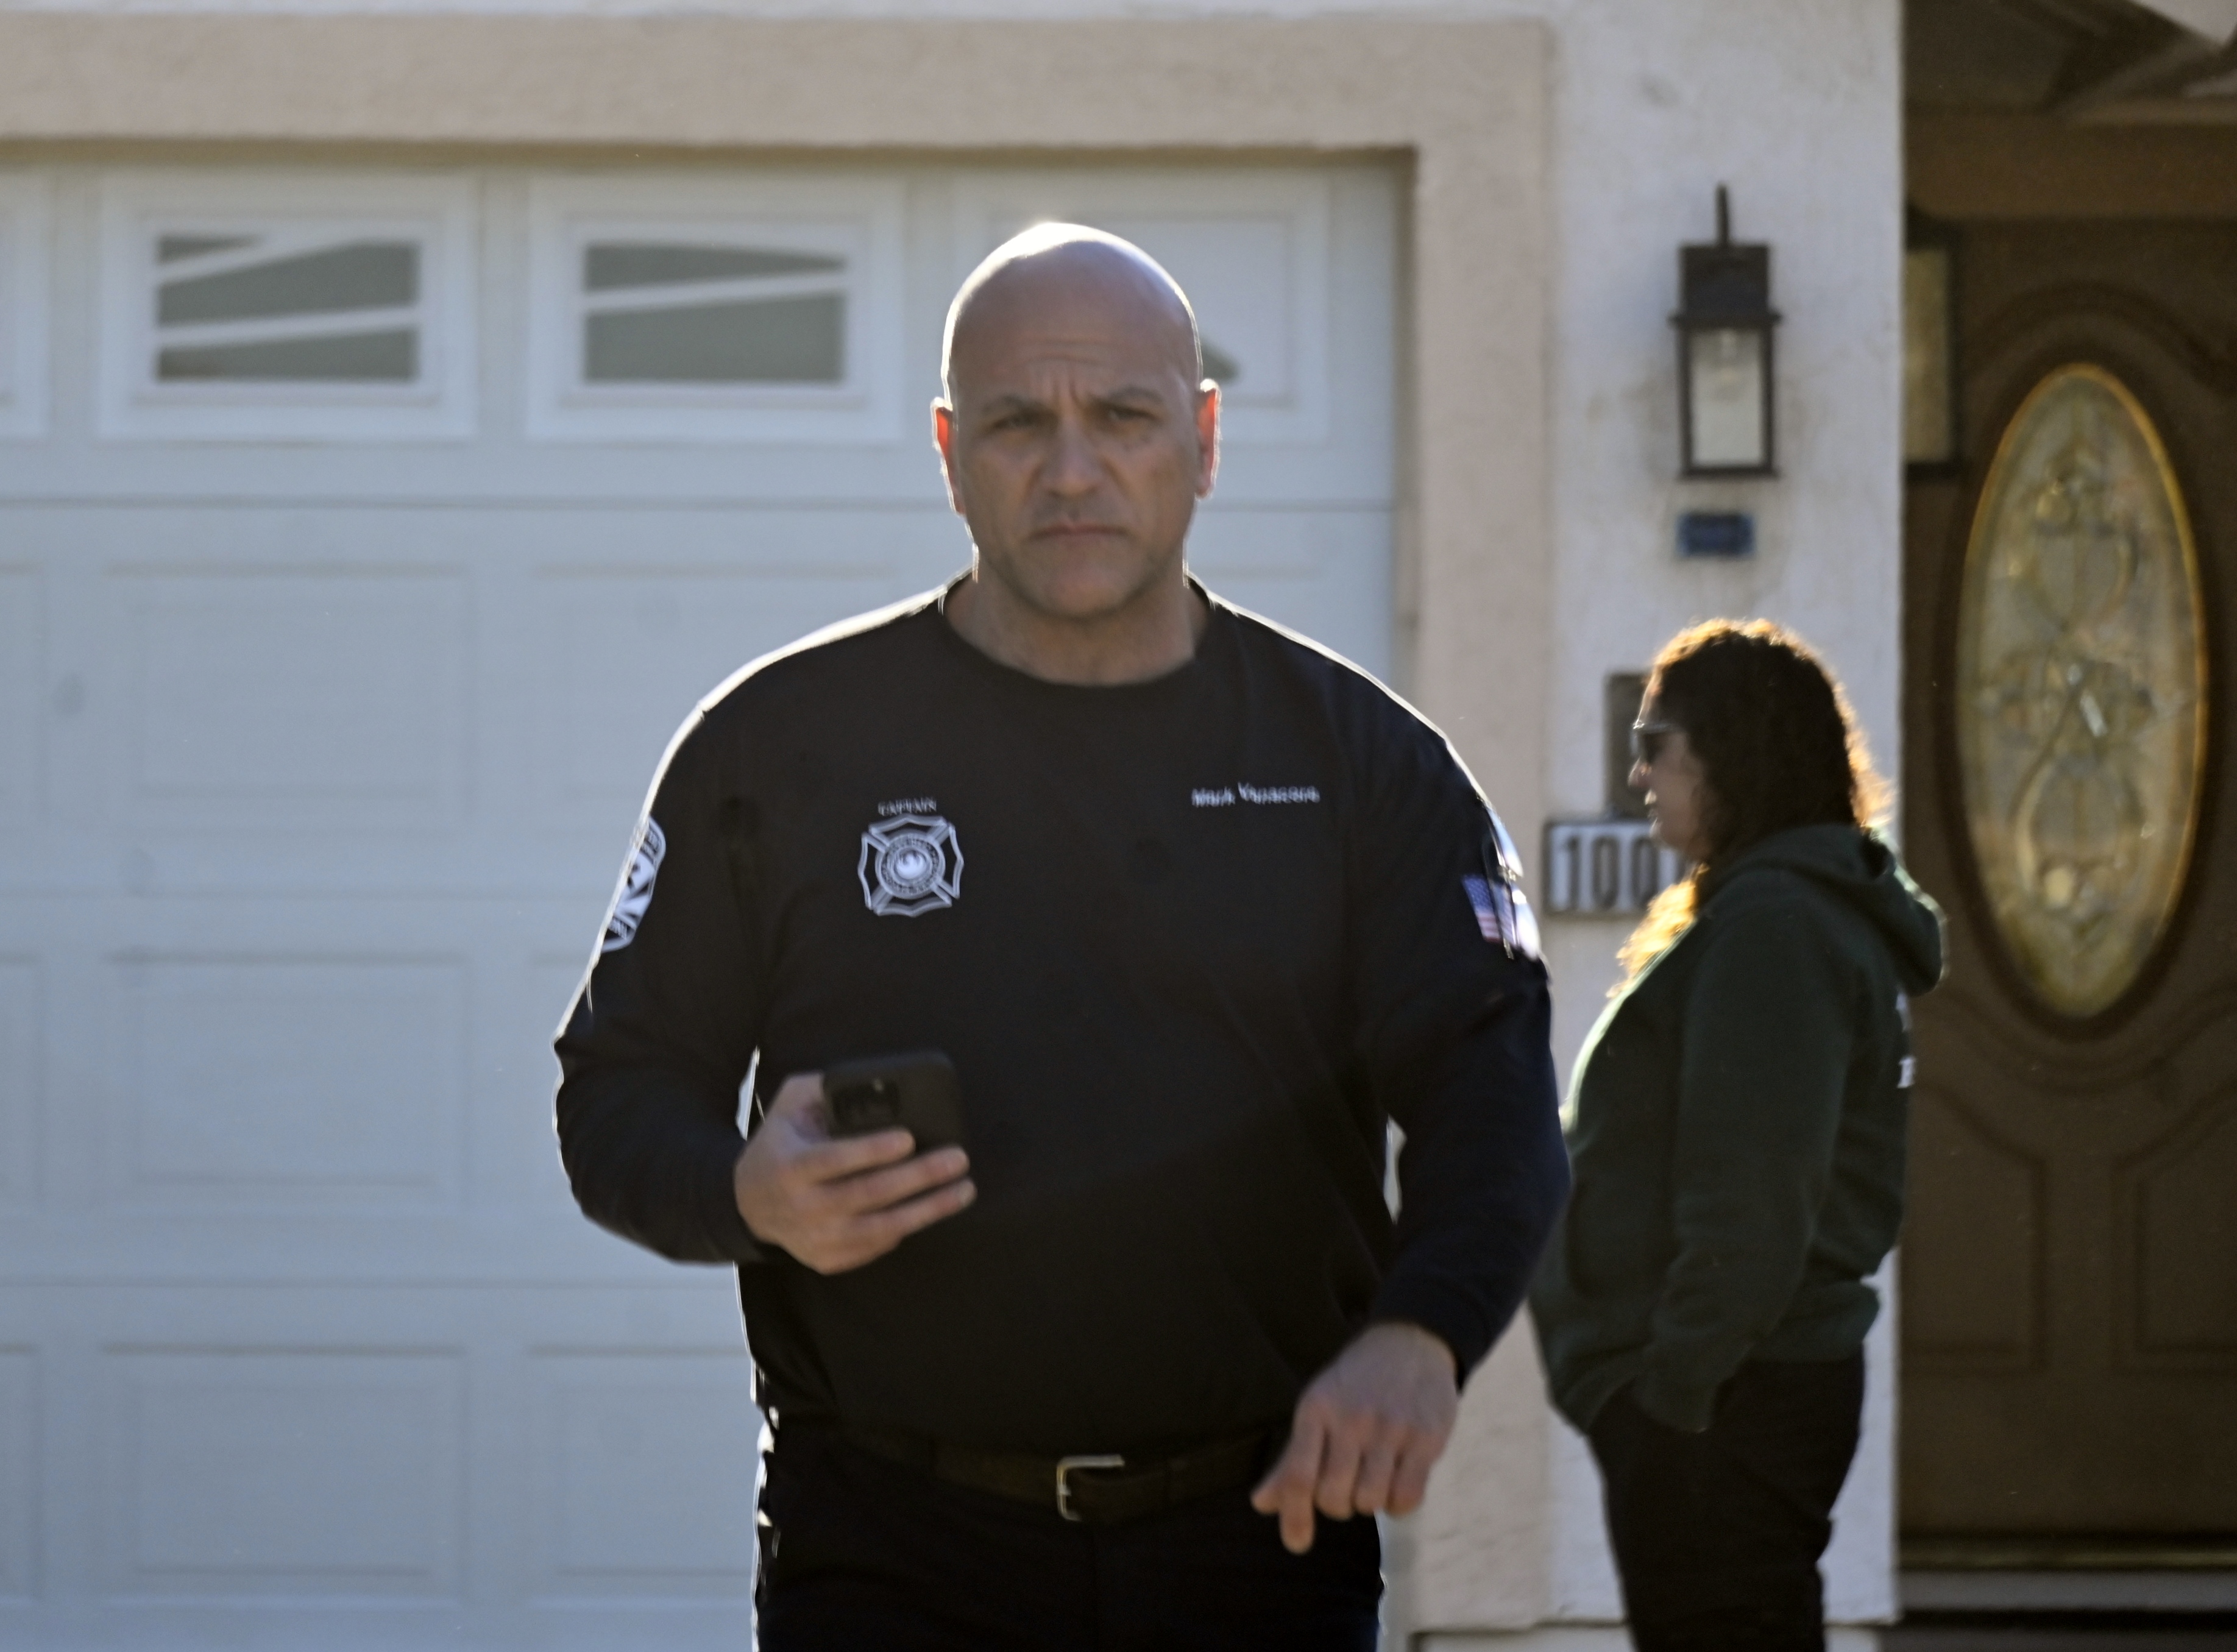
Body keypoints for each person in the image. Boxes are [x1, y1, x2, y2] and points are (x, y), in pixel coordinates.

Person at [555, 223, 1569, 1651]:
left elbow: (1495, 1099)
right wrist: (743, 1194)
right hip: (891, 1554)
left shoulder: (1360, 768)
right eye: (1019, 423)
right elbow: (615, 1092)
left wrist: (1424, 1332)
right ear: (949, 450)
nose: (1073, 470)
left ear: (1204, 439)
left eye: (1125, 418)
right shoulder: (777, 747)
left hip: (1259, 1551)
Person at [1529, 620, 1945, 1652]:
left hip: (1727, 1407)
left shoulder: (1777, 929)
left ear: (1732, 752)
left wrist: (1670, 1397)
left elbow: (1752, 1201)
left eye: (1656, 745)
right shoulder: (1772, 913)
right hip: (1734, 1400)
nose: (1638, 774)